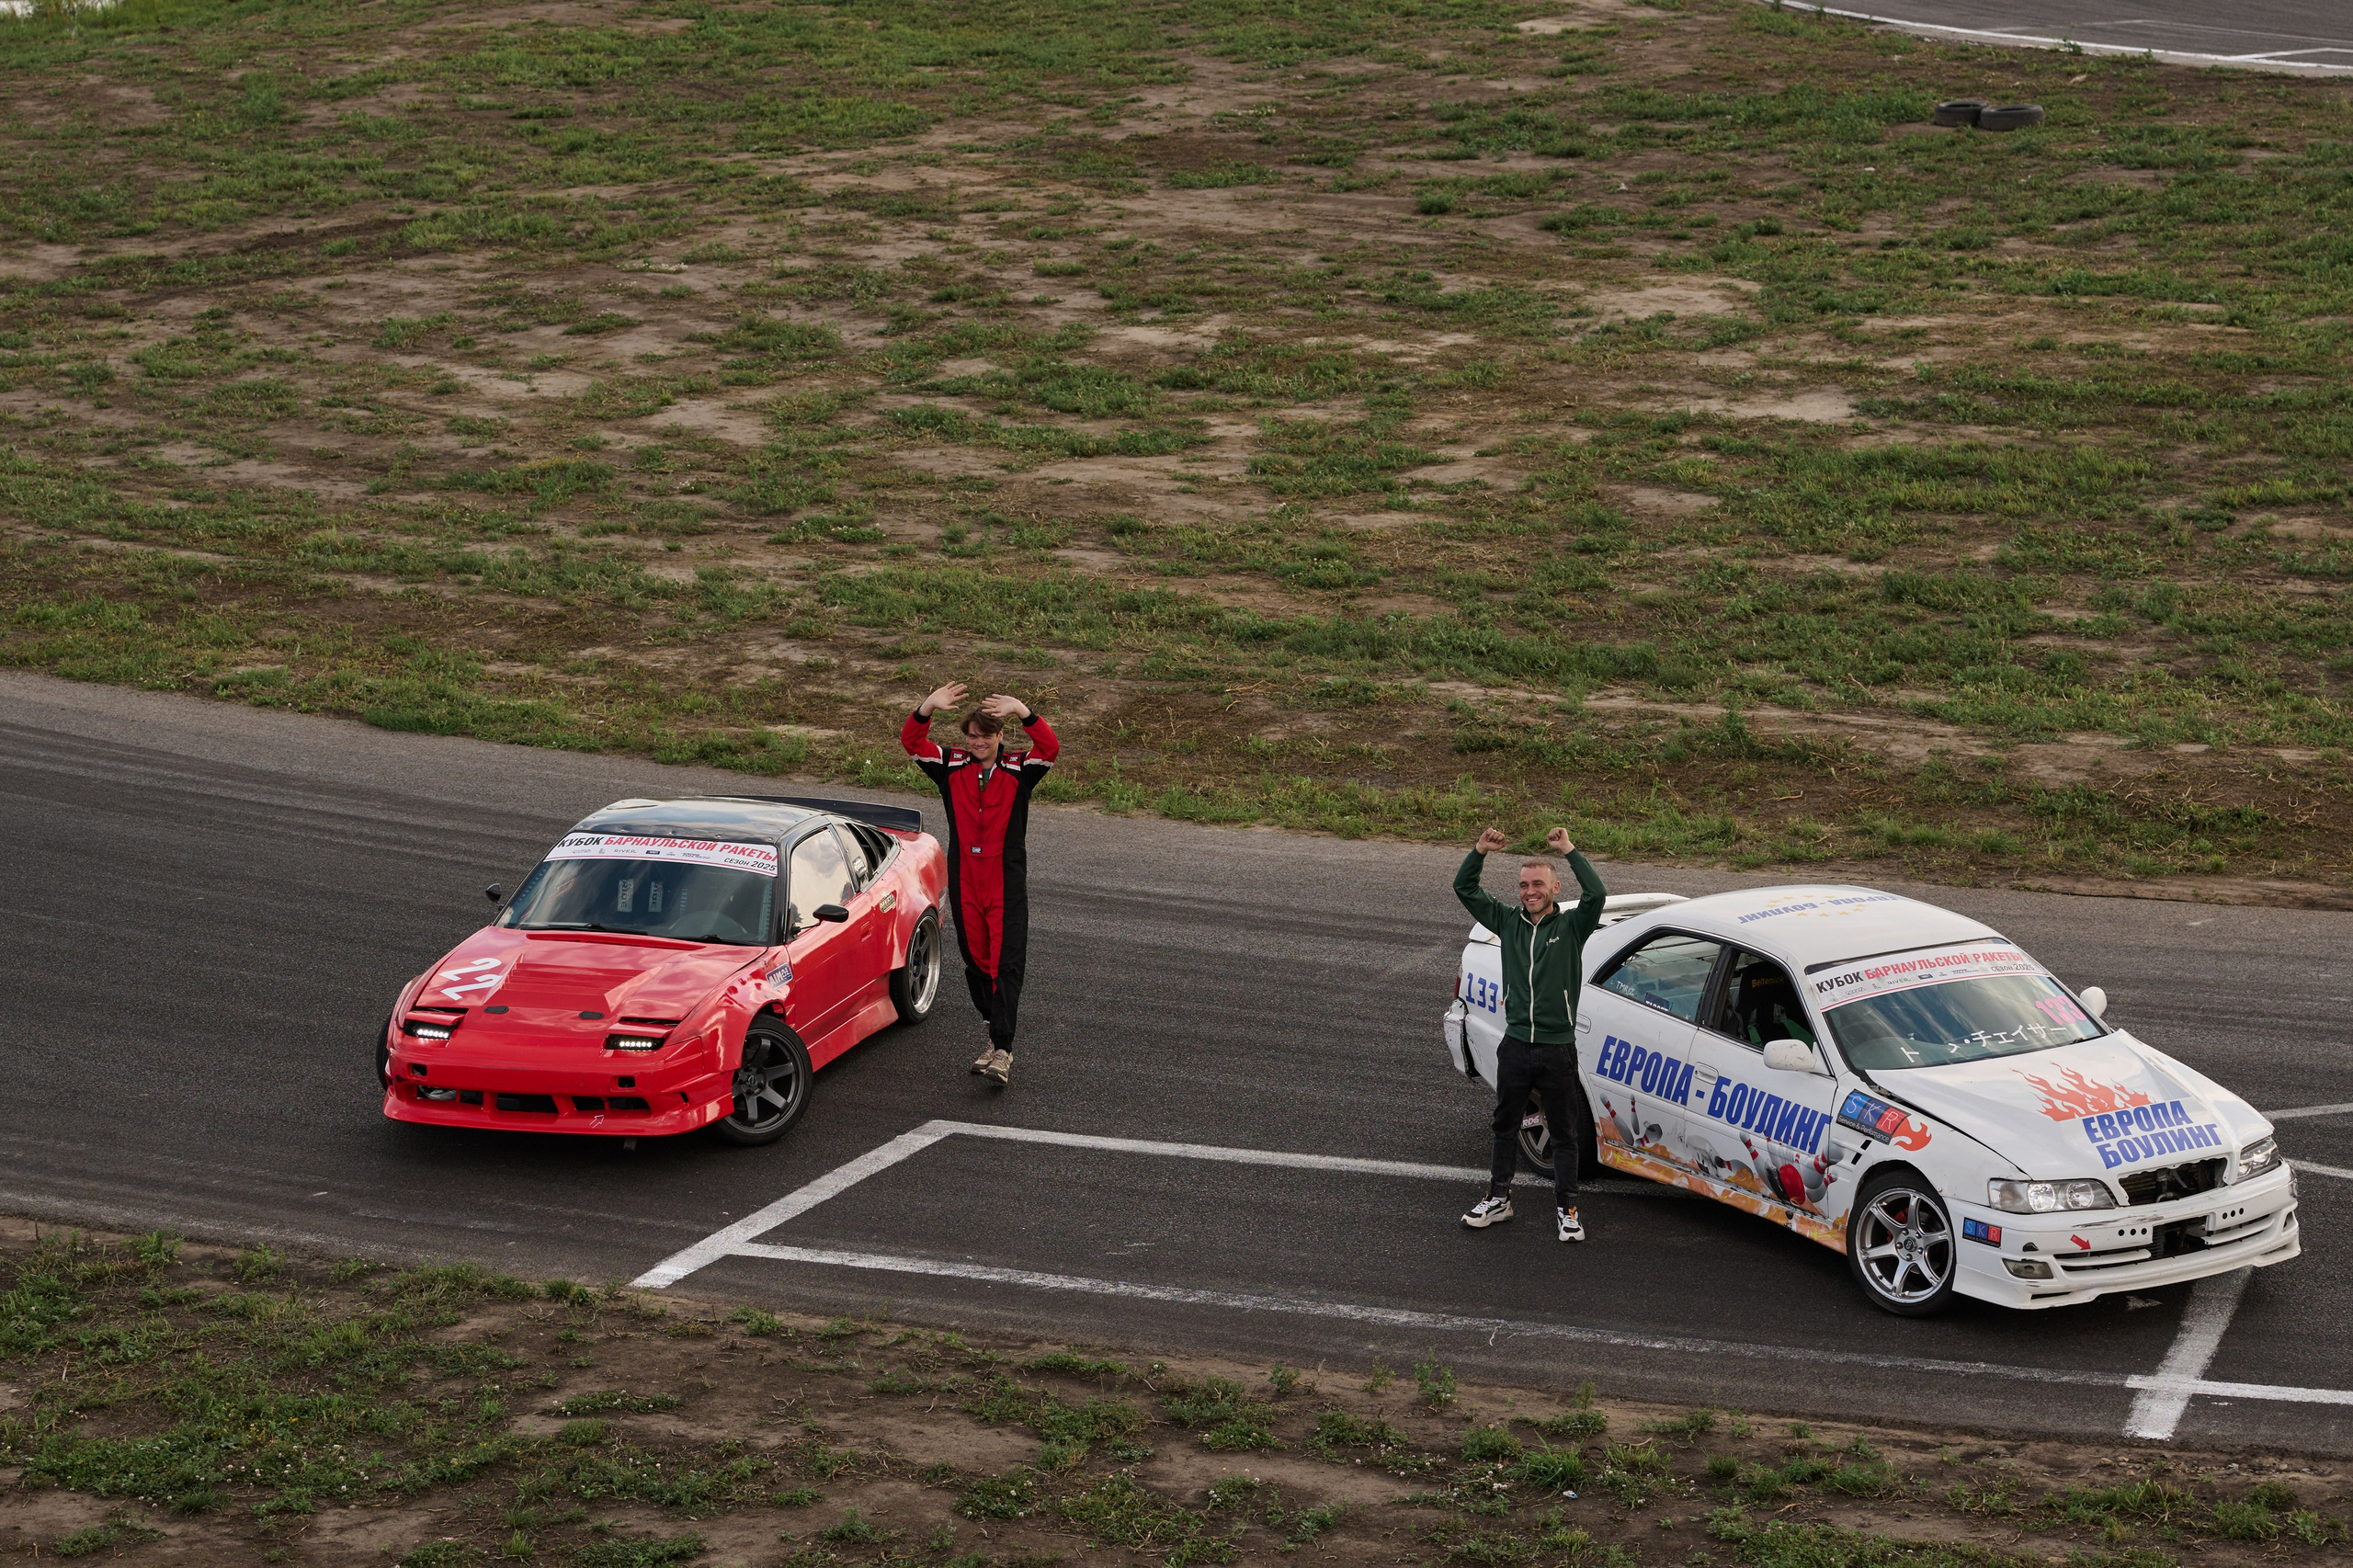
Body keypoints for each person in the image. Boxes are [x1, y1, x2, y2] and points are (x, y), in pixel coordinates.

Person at [899, 682, 1060, 1085]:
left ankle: (1002, 1050)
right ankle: (992, 1034)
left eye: (985, 736)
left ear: (1000, 735)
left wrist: (1023, 710)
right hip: (965, 878)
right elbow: (912, 743)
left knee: (1005, 965)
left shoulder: (1021, 768)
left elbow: (1049, 748)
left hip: (1005, 880)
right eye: (971, 737)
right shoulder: (951, 765)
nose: (977, 743)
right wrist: (927, 707)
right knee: (976, 963)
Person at [1453, 825, 1608, 1242]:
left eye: (1538, 884)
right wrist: (1480, 850)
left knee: (1564, 1134)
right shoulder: (1507, 922)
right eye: (1523, 885)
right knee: (1504, 1126)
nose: (1530, 891)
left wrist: (1569, 849)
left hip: (1558, 1049)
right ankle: (1498, 1199)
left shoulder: (1573, 925)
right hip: (1516, 1045)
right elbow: (1465, 888)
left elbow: (1596, 895)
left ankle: (1568, 1210)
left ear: (1555, 888)